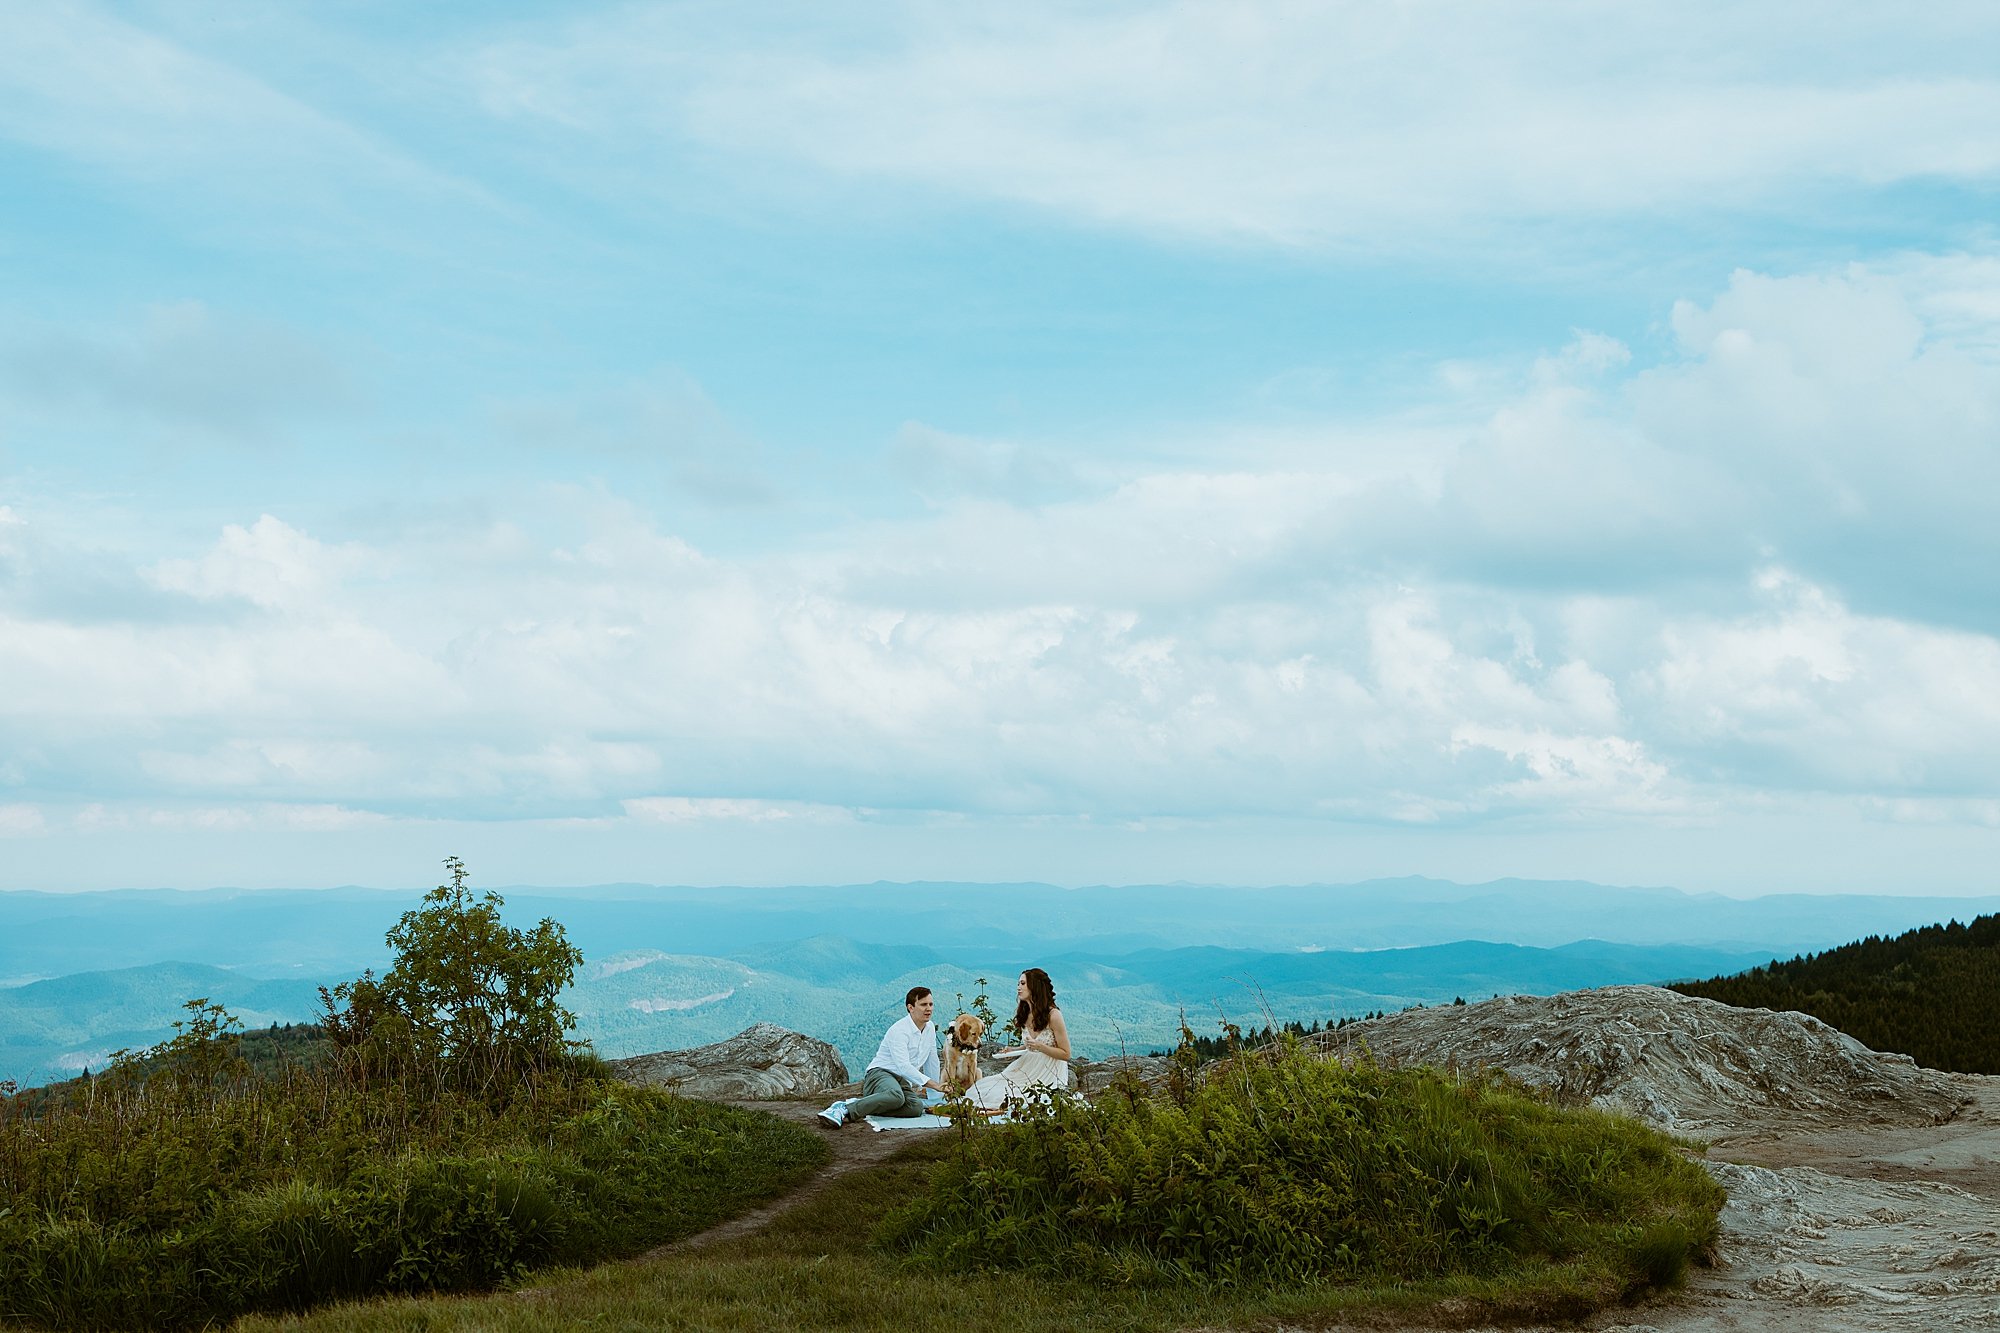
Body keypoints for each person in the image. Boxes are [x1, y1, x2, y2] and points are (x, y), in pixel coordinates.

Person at [818, 986, 945, 1128]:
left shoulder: (930, 1028)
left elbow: (932, 1061)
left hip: (901, 1083)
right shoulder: (900, 1031)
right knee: (896, 1096)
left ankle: (869, 1104)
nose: (928, 1009)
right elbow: (903, 1067)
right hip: (879, 1074)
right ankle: (845, 1108)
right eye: (923, 1005)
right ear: (911, 1007)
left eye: (931, 1004)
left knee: (915, 1108)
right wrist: (935, 1085)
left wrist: (936, 1097)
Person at [966, 968, 1070, 1112]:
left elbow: (1065, 1054)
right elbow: (1031, 1046)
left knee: (1009, 1096)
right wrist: (1013, 1050)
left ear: (1035, 986)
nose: (1018, 987)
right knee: (981, 1089)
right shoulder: (1025, 1012)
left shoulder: (1054, 1015)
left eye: (1023, 983)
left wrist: (1040, 1047)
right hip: (1028, 1065)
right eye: (1018, 983)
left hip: (1048, 1071)